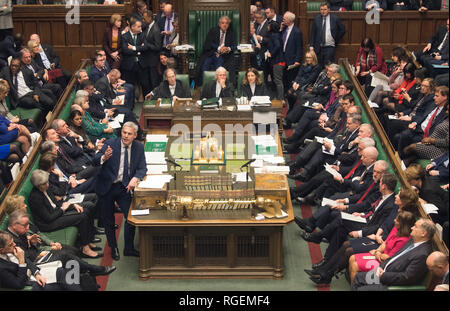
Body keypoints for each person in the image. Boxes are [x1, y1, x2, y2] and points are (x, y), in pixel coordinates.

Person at [94, 122, 147, 261]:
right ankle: (113, 247)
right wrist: (104, 157)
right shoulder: (111, 144)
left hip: (124, 187)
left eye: (129, 134)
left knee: (130, 217)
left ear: (135, 136)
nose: (125, 136)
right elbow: (95, 159)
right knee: (108, 220)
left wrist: (135, 178)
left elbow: (142, 168)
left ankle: (128, 248)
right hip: (106, 187)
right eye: (124, 132)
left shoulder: (139, 148)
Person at [28, 169, 101, 259]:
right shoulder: (35, 198)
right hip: (48, 224)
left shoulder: (46, 188)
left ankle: (88, 240)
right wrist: (63, 209)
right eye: (45, 184)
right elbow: (48, 218)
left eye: (47, 182)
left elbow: (57, 203)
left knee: (84, 210)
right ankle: (85, 248)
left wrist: (72, 205)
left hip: (56, 213)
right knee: (82, 217)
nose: (48, 184)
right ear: (38, 186)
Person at [351, 218, 435, 291]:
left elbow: (407, 277)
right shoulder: (413, 240)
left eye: (415, 226)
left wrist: (383, 275)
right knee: (358, 277)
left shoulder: (423, 254)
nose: (412, 228)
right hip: (385, 272)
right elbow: (395, 256)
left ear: (423, 233)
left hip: (392, 283)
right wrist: (381, 267)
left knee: (360, 289)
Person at [0, 230, 83, 291]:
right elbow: (18, 284)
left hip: (34, 274)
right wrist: (21, 262)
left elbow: (26, 260)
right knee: (64, 285)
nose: (14, 245)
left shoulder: (10, 250)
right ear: (1, 250)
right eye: (10, 244)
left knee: (61, 272)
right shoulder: (1, 267)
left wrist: (37, 274)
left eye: (13, 242)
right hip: (30, 284)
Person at [348, 210, 416, 283]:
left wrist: (377, 254)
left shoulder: (404, 240)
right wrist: (378, 251)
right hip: (379, 255)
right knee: (352, 258)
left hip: (385, 264)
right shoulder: (396, 228)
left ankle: (354, 287)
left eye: (397, 220)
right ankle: (354, 285)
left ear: (402, 224)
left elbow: (388, 258)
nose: (394, 220)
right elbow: (385, 242)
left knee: (355, 265)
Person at [196, 16, 237, 87]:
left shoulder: (231, 33)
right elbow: (208, 43)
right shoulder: (213, 31)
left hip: (224, 55)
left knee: (219, 64)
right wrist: (219, 48)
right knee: (205, 64)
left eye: (227, 23)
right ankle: (205, 85)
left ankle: (218, 85)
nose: (225, 25)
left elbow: (235, 45)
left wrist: (228, 48)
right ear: (219, 24)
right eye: (223, 23)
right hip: (211, 53)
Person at [120, 18, 151, 98]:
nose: (141, 28)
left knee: (144, 83)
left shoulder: (142, 35)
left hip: (141, 64)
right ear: (133, 27)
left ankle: (143, 98)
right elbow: (125, 50)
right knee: (130, 84)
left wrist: (134, 48)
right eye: (139, 27)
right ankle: (132, 99)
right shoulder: (124, 36)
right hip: (129, 64)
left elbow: (146, 47)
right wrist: (139, 49)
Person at [309, 2, 346, 67]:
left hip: (329, 47)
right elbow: (313, 33)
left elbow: (343, 29)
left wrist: (335, 39)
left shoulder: (335, 18)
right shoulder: (317, 18)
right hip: (318, 48)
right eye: (321, 9)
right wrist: (311, 46)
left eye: (325, 9)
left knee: (328, 66)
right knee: (318, 67)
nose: (323, 11)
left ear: (329, 10)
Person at [280, 11, 303, 95]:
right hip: (282, 58)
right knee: (283, 78)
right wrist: (280, 29)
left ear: (289, 20)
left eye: (284, 19)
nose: (283, 20)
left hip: (291, 60)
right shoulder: (284, 29)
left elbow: (299, 47)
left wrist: (297, 60)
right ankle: (284, 94)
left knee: (290, 79)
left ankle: (289, 96)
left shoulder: (297, 31)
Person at [142, 10, 162, 91]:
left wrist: (146, 44)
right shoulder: (147, 27)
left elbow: (158, 46)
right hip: (147, 58)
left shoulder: (156, 30)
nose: (143, 20)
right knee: (149, 80)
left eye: (144, 19)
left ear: (150, 18)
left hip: (153, 59)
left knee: (154, 81)